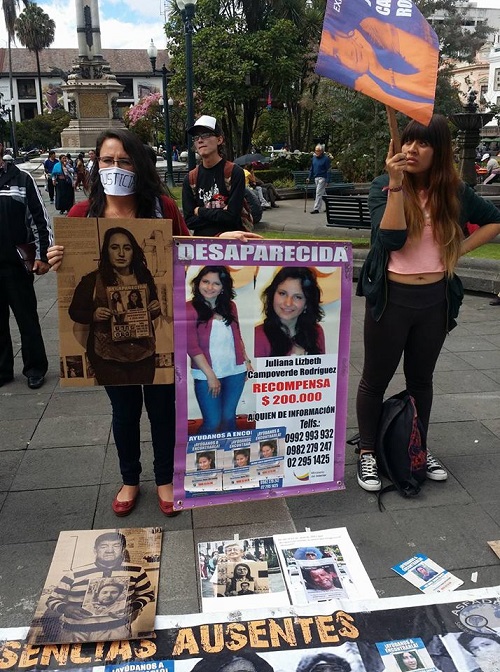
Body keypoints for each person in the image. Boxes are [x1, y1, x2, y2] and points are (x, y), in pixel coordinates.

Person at [47, 128, 260, 517]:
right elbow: (71, 292)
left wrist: (221, 239)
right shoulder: (82, 216)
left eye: (124, 161)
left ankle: (165, 478)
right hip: (109, 348)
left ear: (139, 165)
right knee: (124, 412)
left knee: (163, 410)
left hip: (159, 341)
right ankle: (130, 479)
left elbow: (188, 250)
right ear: (96, 164)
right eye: (107, 160)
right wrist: (56, 258)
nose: (115, 168)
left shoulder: (161, 208)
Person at [355, 114, 500, 492]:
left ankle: (417, 447)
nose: (412, 149)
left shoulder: (454, 191)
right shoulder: (383, 186)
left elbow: (494, 221)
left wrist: (457, 250)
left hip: (434, 300)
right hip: (392, 299)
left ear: (440, 150)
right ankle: (367, 452)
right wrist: (396, 184)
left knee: (421, 380)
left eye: (423, 143)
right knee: (375, 379)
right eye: (408, 141)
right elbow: (390, 241)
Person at [68, 226, 160, 386]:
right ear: (106, 251)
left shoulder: (143, 275)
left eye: (127, 248)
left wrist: (155, 308)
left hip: (143, 352)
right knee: (122, 399)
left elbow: (152, 307)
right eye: (115, 247)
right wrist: (94, 315)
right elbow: (75, 312)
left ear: (134, 251)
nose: (121, 254)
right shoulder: (92, 280)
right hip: (108, 356)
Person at [0, 140, 52, 390]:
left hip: (15, 265)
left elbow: (39, 219)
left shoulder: (21, 179)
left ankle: (35, 368)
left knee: (27, 319)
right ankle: (3, 370)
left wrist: (43, 256)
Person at [44, 531, 154, 643]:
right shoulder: (74, 573)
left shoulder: (136, 570)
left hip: (117, 630)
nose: (110, 550)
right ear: (95, 550)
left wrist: (133, 606)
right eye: (104, 546)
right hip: (75, 632)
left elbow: (147, 593)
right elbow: (52, 600)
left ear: (123, 549)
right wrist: (65, 608)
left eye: (116, 546)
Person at [186, 265, 252, 434]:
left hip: (235, 371)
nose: (209, 287)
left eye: (216, 283)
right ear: (198, 283)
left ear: (223, 287)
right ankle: (202, 452)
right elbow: (192, 347)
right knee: (213, 422)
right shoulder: (189, 309)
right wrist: (211, 376)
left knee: (229, 418)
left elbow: (237, 336)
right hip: (206, 374)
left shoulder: (230, 306)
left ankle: (231, 451)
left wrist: (246, 361)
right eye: (205, 281)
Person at [182, 115, 247, 235]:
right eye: (196, 137)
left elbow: (232, 217)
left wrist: (200, 211)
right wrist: (221, 214)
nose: (200, 140)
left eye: (206, 135)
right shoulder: (190, 179)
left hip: (230, 242)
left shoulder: (234, 172)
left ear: (219, 140)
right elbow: (189, 221)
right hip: (202, 243)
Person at [255, 267, 325, 357]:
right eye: (282, 293)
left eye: (297, 297)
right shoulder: (258, 336)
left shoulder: (316, 332)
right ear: (272, 296)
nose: (288, 303)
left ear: (307, 303)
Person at [307, 144, 330, 214]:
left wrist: (328, 180)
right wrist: (309, 177)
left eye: (318, 151)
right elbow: (312, 169)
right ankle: (329, 205)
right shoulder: (314, 158)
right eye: (316, 151)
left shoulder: (326, 159)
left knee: (318, 193)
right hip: (316, 177)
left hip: (323, 178)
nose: (316, 152)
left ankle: (316, 208)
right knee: (323, 193)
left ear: (322, 151)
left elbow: (328, 170)